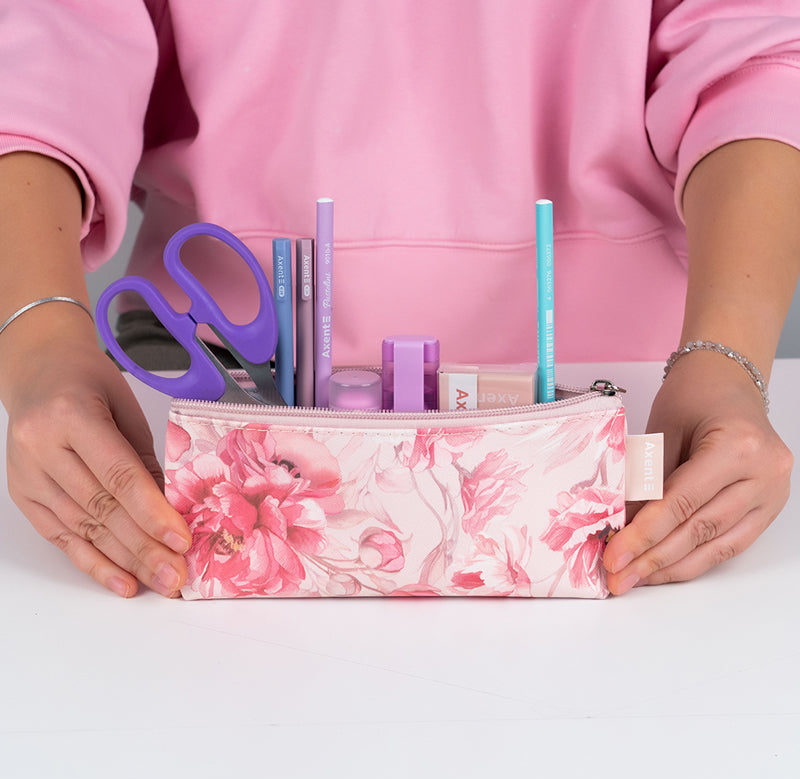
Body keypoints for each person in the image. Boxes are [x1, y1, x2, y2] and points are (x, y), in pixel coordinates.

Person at [0, 1, 797, 598]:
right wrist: (38, 345)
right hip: (202, 416)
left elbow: (758, 59)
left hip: (626, 413)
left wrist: (725, 358)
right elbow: (44, 48)